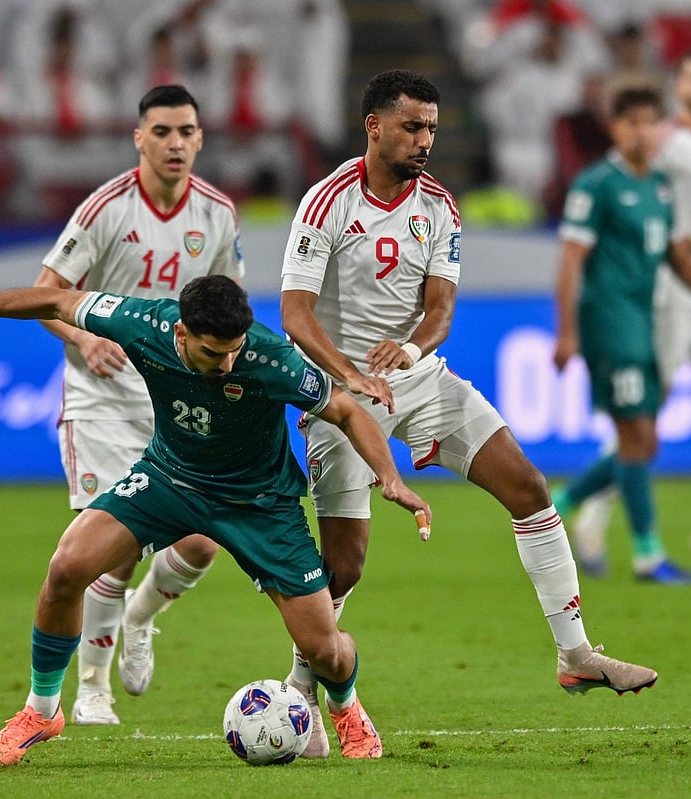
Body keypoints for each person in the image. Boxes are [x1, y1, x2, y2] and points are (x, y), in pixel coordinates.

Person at [0, 276, 431, 765]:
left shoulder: (270, 358)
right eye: (213, 352)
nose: (227, 364)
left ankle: (345, 704)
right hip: (169, 479)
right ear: (181, 332)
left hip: (259, 503)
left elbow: (346, 410)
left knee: (324, 650)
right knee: (66, 568)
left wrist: (391, 477)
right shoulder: (141, 322)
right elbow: (55, 300)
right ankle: (41, 710)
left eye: (234, 350)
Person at [279, 68, 658, 759]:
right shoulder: (327, 201)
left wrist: (408, 350)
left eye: (431, 127)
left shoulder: (439, 206)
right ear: (374, 127)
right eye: (412, 127)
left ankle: (576, 653)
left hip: (418, 379)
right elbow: (295, 315)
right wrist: (352, 374)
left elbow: (441, 310)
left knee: (529, 487)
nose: (425, 139)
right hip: (341, 396)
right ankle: (301, 691)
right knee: (345, 565)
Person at [30, 84, 244, 726]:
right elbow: (46, 294)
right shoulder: (106, 209)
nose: (175, 143)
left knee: (202, 544)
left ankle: (141, 617)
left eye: (186, 131)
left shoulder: (217, 213)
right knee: (112, 547)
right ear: (139, 139)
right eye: (162, 132)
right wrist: (84, 339)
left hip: (177, 403)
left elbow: (230, 310)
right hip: (103, 399)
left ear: (200, 138)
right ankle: (92, 690)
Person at [570, 50, 691, 577]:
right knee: (643, 417)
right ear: (679, 87)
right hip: (671, 288)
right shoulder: (662, 140)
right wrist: (681, 240)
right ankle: (589, 521)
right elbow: (638, 192)